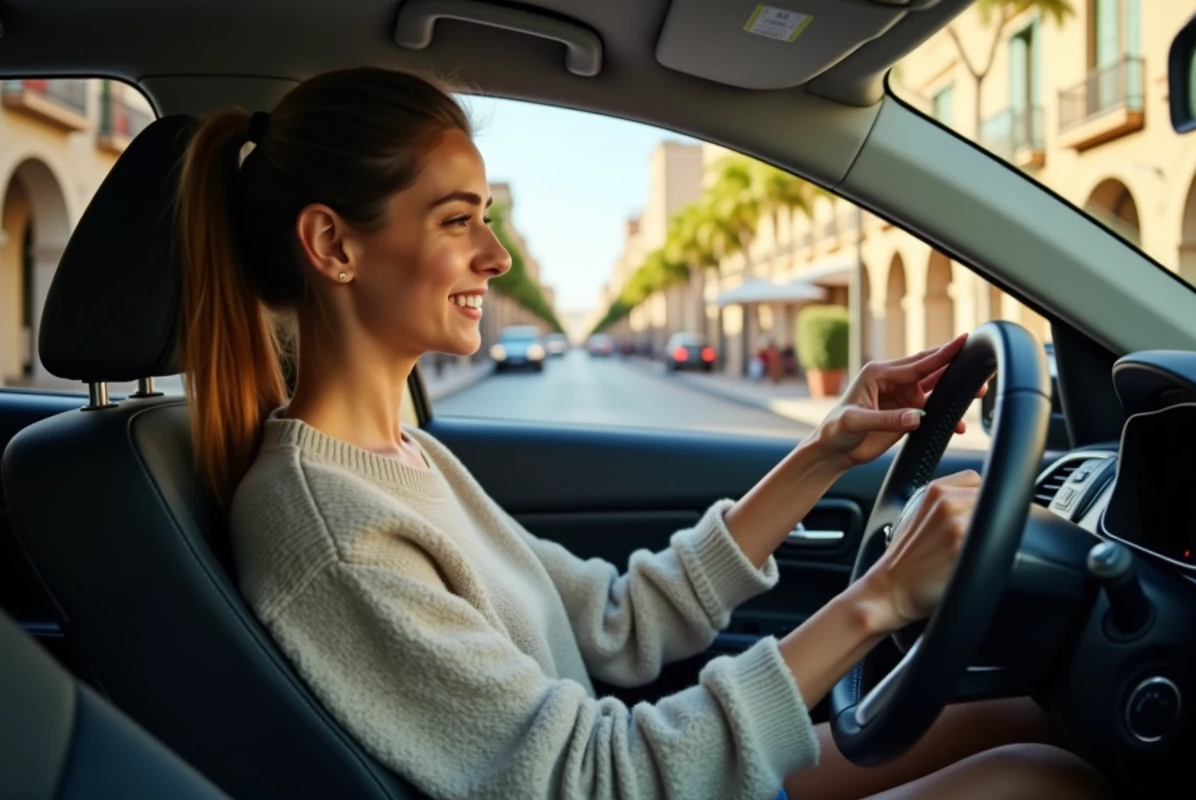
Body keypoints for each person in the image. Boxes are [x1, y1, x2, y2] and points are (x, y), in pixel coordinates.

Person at [176, 67, 1109, 800]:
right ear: (334, 246)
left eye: (488, 221)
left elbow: (615, 623)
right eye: (458, 221)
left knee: (1042, 717)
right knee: (1047, 778)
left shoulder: (403, 461)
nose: (496, 258)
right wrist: (882, 601)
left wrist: (824, 451)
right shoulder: (330, 526)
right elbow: (596, 779)